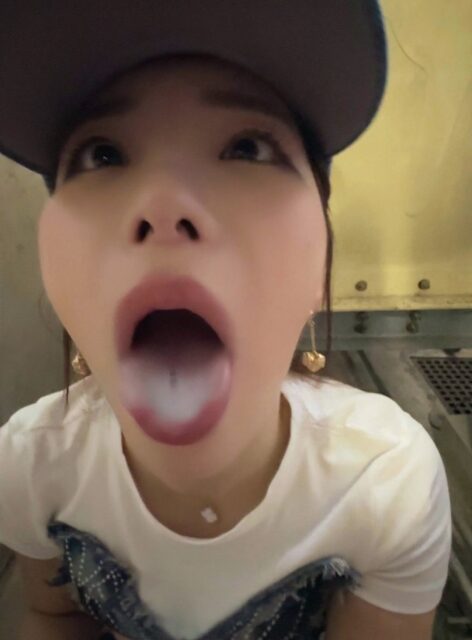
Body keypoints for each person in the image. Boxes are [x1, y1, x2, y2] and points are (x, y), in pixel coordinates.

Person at [0, 2, 451, 639]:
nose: (164, 205)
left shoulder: (386, 484)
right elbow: (52, 616)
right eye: (102, 155)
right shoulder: (28, 466)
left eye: (248, 148)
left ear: (319, 263)